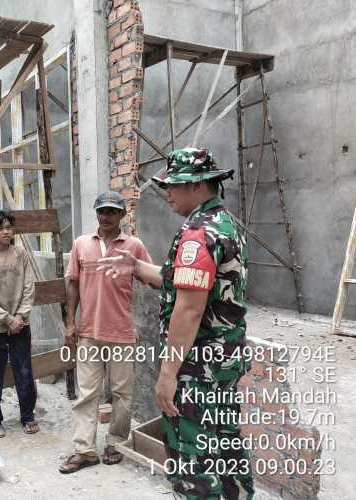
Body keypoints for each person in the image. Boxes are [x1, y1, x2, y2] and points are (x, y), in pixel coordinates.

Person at [98, 148, 254, 499]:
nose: (168, 193)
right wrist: (137, 268)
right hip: (223, 361)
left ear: (198, 185)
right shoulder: (226, 223)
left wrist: (168, 375)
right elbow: (181, 280)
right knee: (224, 442)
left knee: (193, 460)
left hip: (196, 368)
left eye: (174, 185)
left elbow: (189, 309)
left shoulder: (198, 233)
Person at [59, 191, 153, 474]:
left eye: (112, 211)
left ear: (122, 215)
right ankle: (85, 450)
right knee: (87, 393)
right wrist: (70, 323)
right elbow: (73, 284)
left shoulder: (133, 245)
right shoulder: (81, 244)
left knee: (122, 393)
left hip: (122, 332)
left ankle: (116, 442)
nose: (106, 216)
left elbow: (151, 276)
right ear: (95, 213)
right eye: (102, 211)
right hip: (88, 331)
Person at [0, 210, 38, 438]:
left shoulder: (20, 253)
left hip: (21, 324)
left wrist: (20, 316)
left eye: (9, 227)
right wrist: (7, 318)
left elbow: (29, 286)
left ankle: (28, 416)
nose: (6, 232)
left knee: (24, 371)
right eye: (0, 228)